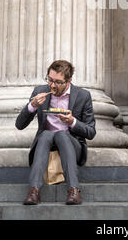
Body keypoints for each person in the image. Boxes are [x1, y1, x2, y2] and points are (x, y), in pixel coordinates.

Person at [15, 60, 96, 205]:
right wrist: (32, 106)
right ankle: (34, 191)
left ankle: (74, 190)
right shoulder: (39, 91)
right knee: (46, 134)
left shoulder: (83, 96)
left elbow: (91, 132)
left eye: (58, 82)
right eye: (50, 80)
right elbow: (19, 125)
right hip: (45, 145)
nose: (52, 85)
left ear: (69, 81)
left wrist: (72, 122)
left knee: (61, 134)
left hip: (71, 144)